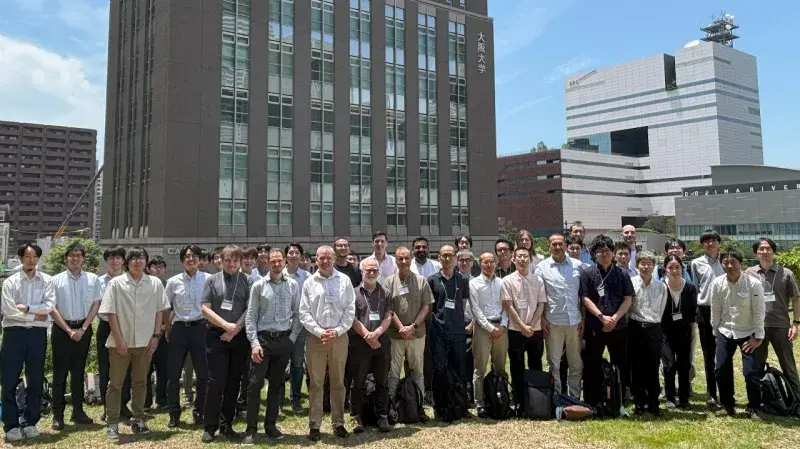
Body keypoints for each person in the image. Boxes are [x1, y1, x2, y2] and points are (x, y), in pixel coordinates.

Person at [99, 246, 170, 439]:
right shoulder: (116, 283)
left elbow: (159, 312)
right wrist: (119, 339)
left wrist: (156, 337)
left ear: (146, 262)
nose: (138, 261)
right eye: (134, 258)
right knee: (115, 384)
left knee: (140, 383)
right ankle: (112, 422)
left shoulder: (155, 283)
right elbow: (110, 312)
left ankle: (139, 420)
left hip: (145, 342)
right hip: (120, 343)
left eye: (141, 258)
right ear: (127, 262)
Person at [243, 248, 302, 443]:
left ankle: (270, 425)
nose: (276, 264)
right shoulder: (258, 286)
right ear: (268, 262)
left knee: (276, 385)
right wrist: (254, 344)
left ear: (284, 262)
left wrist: (291, 339)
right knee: (254, 385)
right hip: (263, 341)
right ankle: (251, 429)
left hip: (283, 341)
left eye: (279, 260)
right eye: (273, 261)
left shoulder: (293, 285)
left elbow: (297, 314)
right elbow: (251, 317)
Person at [299, 246, 355, 441]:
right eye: (321, 258)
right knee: (315, 383)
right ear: (316, 260)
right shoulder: (309, 282)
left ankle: (338, 422)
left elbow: (350, 310)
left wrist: (337, 331)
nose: (325, 261)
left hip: (339, 338)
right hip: (316, 339)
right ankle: (315, 424)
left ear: (333, 259)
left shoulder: (345, 280)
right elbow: (304, 312)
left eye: (328, 258)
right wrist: (320, 331)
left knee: (338, 382)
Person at [1, 243, 55, 442]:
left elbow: (49, 306)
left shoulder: (47, 281)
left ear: (38, 258)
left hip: (36, 336)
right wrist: (35, 316)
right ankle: (11, 424)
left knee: (35, 378)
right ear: (21, 258)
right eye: (27, 256)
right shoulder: (11, 282)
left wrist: (27, 308)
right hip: (13, 333)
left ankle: (30, 421)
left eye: (34, 256)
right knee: (9, 379)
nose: (30, 260)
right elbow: (8, 311)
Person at [201, 246, 253, 443]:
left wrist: (235, 330)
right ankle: (209, 426)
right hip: (216, 335)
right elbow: (205, 308)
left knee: (234, 381)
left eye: (235, 261)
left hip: (238, 338)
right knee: (216, 381)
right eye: (228, 260)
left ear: (240, 262)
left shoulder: (248, 280)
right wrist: (225, 326)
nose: (231, 264)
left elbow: (251, 308)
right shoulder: (211, 280)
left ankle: (226, 424)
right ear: (220, 260)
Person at [49, 242, 102, 430]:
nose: (75, 258)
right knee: (59, 373)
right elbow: (52, 308)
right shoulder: (55, 280)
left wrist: (84, 328)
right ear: (66, 258)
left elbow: (96, 303)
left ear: (83, 259)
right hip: (62, 330)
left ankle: (78, 411)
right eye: (71, 255)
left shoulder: (93, 279)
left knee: (78, 372)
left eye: (78, 255)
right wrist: (68, 330)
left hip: (84, 328)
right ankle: (58, 415)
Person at [710, 247, 765, 419]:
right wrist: (715, 331)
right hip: (725, 331)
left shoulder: (753, 283)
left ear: (740, 264)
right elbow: (716, 309)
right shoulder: (717, 283)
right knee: (720, 369)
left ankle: (754, 407)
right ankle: (728, 405)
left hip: (748, 333)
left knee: (750, 372)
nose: (729, 266)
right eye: (725, 262)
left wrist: (758, 337)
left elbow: (759, 311)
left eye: (733, 262)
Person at [580, 235, 634, 407]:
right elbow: (585, 298)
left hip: (618, 326)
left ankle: (619, 398)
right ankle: (592, 399)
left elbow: (628, 299)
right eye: (600, 251)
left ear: (613, 253)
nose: (603, 254)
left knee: (620, 362)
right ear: (594, 254)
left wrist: (615, 318)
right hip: (596, 325)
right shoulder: (588, 273)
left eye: (607, 251)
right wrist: (601, 317)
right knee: (592, 363)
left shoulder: (622, 274)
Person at [746, 237, 800, 402]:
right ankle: (760, 400)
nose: (764, 252)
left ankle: (797, 401)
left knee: (788, 365)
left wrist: (796, 323)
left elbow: (796, 298)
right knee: (756, 365)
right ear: (756, 253)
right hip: (757, 328)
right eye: (761, 249)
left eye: (768, 248)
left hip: (781, 326)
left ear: (773, 251)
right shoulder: (749, 273)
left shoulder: (786, 273)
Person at [165, 245, 210, 428]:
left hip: (201, 329)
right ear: (182, 260)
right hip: (179, 329)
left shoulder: (209, 279)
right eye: (187, 256)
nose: (191, 259)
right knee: (173, 374)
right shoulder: (173, 281)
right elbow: (166, 307)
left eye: (194, 256)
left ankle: (199, 411)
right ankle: (174, 413)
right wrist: (167, 329)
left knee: (203, 374)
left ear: (200, 259)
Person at [384, 247, 432, 418]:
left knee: (417, 371)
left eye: (406, 258)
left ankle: (418, 407)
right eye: (399, 259)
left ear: (410, 259)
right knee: (394, 373)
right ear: (395, 260)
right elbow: (388, 308)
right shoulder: (388, 282)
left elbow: (426, 306)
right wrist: (401, 328)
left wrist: (412, 326)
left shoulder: (421, 281)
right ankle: (392, 408)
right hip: (395, 335)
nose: (403, 262)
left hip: (417, 334)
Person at [349, 258, 394, 433]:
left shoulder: (386, 292)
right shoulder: (353, 293)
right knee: (358, 382)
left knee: (382, 381)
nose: (372, 272)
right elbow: (351, 318)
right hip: (360, 343)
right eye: (368, 270)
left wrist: (377, 334)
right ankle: (356, 417)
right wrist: (367, 335)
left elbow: (388, 316)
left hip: (381, 342)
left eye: (375, 270)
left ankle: (382, 416)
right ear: (362, 271)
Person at [535, 234, 584, 397]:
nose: (557, 247)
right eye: (553, 244)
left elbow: (583, 296)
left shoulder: (578, 266)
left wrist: (583, 318)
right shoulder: (542, 267)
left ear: (565, 245)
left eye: (560, 244)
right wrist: (541, 318)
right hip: (553, 322)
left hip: (574, 321)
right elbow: (539, 296)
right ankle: (556, 397)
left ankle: (574, 398)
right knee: (554, 363)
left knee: (576, 363)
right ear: (549, 247)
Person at [427, 244, 471, 420]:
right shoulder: (432, 280)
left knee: (460, 370)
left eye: (450, 255)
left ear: (455, 258)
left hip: (458, 332)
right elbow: (430, 307)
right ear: (439, 258)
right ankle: (440, 407)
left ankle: (461, 406)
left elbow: (463, 304)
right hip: (438, 332)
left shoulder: (462, 280)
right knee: (439, 370)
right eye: (443, 256)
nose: (447, 258)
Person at [501, 247, 546, 413]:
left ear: (530, 259)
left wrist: (532, 325)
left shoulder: (538, 280)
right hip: (515, 330)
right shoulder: (507, 281)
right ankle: (519, 400)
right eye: (519, 256)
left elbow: (541, 304)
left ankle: (536, 400)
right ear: (513, 259)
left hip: (535, 330)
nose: (522, 259)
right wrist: (522, 326)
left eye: (525, 256)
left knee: (536, 364)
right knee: (516, 365)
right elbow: (508, 305)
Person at [628, 251, 668, 416]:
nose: (646, 267)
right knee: (636, 367)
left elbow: (662, 309)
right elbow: (629, 306)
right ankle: (639, 403)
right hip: (635, 327)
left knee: (653, 367)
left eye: (649, 263)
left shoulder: (661, 286)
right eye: (642, 263)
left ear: (654, 266)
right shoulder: (631, 283)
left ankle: (653, 404)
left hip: (654, 329)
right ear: (637, 266)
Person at [469, 253, 508, 418]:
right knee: (480, 367)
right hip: (483, 329)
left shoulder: (502, 282)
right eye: (486, 262)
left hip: (501, 327)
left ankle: (501, 398)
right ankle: (480, 403)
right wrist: (490, 328)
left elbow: (506, 305)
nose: (489, 265)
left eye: (492, 262)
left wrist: (504, 324)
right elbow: (476, 310)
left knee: (500, 366)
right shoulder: (473, 283)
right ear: (480, 263)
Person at [97, 246, 133, 422]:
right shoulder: (98, 282)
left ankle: (123, 405)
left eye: (118, 257)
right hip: (105, 327)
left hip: (126, 327)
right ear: (106, 261)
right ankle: (107, 407)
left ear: (123, 260)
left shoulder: (129, 280)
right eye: (111, 257)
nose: (115, 261)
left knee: (125, 367)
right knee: (105, 369)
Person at [690, 229, 724, 410]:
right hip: (704, 310)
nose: (710, 243)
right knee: (708, 354)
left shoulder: (726, 260)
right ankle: (712, 394)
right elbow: (696, 288)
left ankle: (726, 393)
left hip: (726, 311)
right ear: (702, 244)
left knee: (724, 354)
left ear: (719, 243)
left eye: (713, 240)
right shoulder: (696, 263)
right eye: (706, 241)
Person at [661, 254, 698, 409]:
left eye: (677, 267)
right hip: (665, 332)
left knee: (684, 365)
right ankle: (670, 397)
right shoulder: (661, 287)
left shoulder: (690, 287)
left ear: (682, 269)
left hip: (684, 331)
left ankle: (684, 398)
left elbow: (692, 312)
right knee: (669, 365)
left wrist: (691, 332)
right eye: (671, 267)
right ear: (665, 270)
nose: (674, 270)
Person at [283, 242, 311, 413]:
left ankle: (296, 399)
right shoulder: (280, 274)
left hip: (300, 326)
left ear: (301, 256)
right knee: (279, 364)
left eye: (296, 253)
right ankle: (278, 400)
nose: (293, 255)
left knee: (298, 363)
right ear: (286, 256)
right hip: (282, 326)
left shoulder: (307, 276)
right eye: (290, 252)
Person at [145, 256, 169, 411]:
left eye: (161, 266)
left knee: (163, 368)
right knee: (145, 368)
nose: (158, 269)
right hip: (146, 332)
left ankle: (162, 399)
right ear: (148, 268)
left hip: (163, 332)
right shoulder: (144, 284)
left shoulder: (169, 285)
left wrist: (165, 326)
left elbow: (171, 308)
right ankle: (146, 402)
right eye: (155, 266)